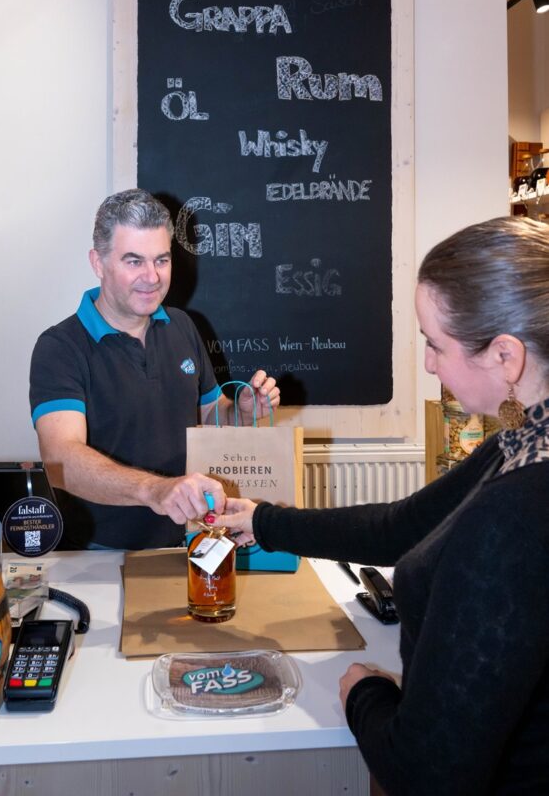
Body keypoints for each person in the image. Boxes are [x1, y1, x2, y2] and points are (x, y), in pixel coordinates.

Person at [211, 216, 549, 795]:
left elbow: (427, 771)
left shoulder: (516, 513)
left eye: (434, 344)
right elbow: (399, 526)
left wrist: (365, 693)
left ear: (505, 357)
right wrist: (263, 521)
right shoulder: (517, 448)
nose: (429, 364)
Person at [30, 188, 279, 550]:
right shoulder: (60, 347)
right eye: (134, 261)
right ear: (98, 263)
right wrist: (156, 490)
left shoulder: (182, 326)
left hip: (188, 541)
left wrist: (240, 410)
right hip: (99, 554)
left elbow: (211, 414)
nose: (152, 276)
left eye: (161, 260)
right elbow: (59, 459)